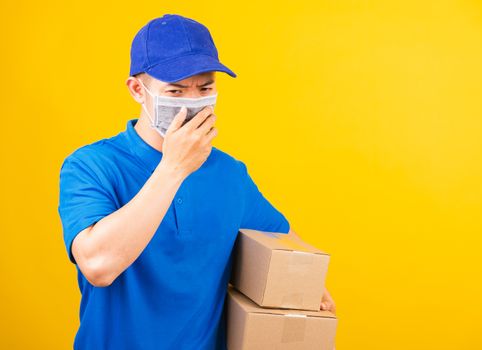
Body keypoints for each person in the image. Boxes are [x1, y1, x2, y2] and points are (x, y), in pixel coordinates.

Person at [58, 13, 335, 349]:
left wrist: (309, 290)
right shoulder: (92, 166)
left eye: (205, 88)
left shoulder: (230, 174)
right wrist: (174, 167)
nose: (191, 102)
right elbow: (98, 266)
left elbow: (283, 242)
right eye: (175, 91)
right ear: (137, 90)